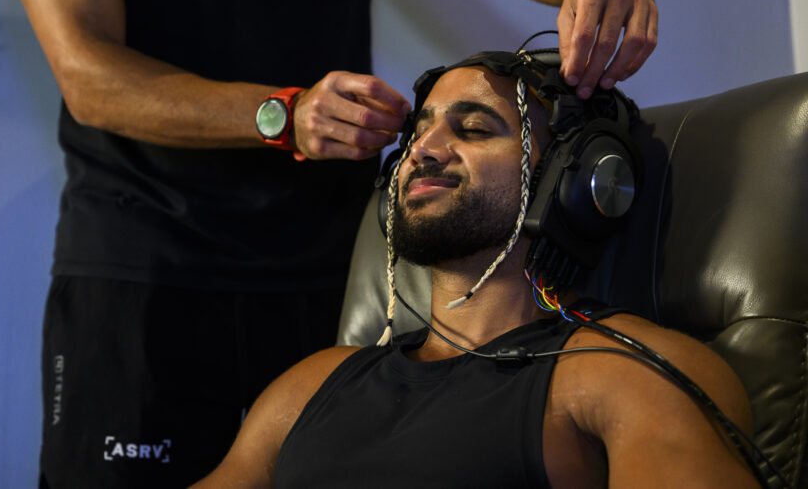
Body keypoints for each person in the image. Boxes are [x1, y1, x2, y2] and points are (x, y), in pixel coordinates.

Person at [0, 0, 658, 485]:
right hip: (143, 257)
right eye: (427, 125)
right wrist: (284, 114)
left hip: (324, 258)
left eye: (475, 126)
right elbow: (88, 75)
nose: (427, 148)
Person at [193, 54, 759, 488]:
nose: (423, 150)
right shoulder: (312, 384)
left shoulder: (622, 374)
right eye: (418, 132)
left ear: (573, 182)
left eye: (474, 129)